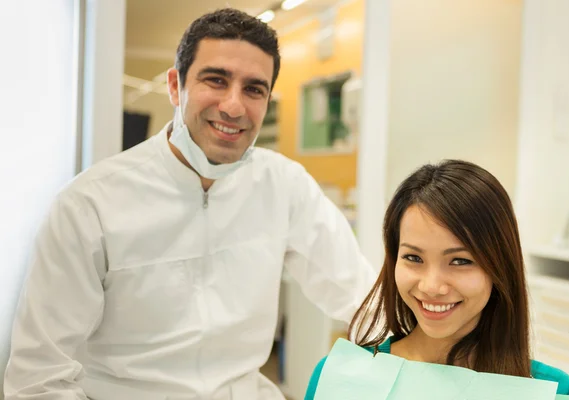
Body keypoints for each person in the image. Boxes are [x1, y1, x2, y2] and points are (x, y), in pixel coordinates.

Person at [3, 8, 375, 400]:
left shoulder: (284, 184)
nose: (233, 107)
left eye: (254, 89)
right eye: (216, 80)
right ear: (175, 86)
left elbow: (360, 295)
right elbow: (38, 379)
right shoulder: (90, 205)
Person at [305, 160, 569, 399]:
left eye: (460, 261)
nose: (431, 286)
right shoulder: (339, 378)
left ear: (499, 267)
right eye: (414, 258)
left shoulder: (555, 392)